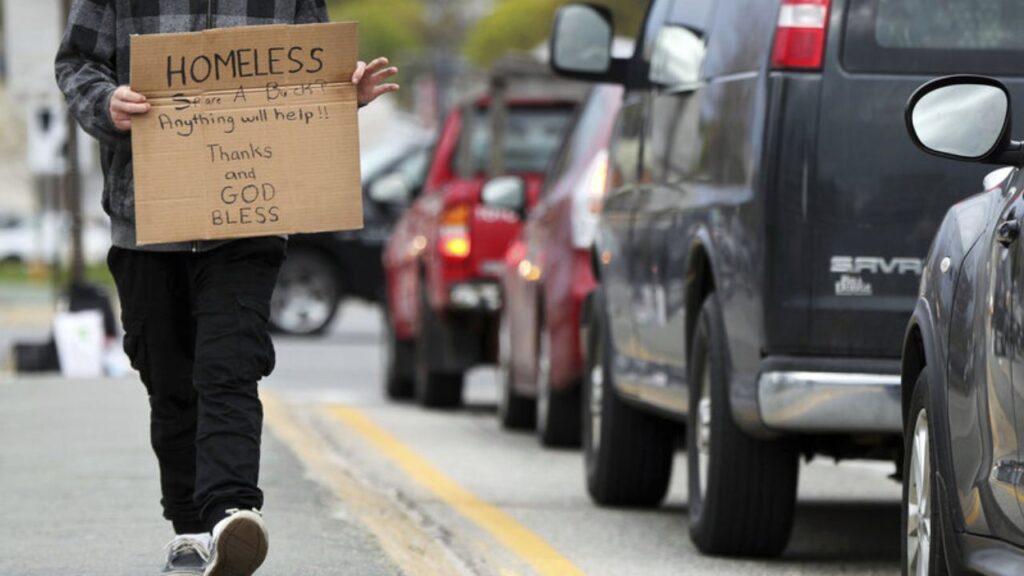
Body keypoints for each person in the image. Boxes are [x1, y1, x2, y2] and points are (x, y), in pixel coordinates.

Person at [55, 2, 398, 574]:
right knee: (169, 380)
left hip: (249, 220)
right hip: (146, 223)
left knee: (230, 365)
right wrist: (104, 103)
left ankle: (232, 513)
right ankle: (191, 530)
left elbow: (314, 81)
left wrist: (346, 95)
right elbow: (76, 62)